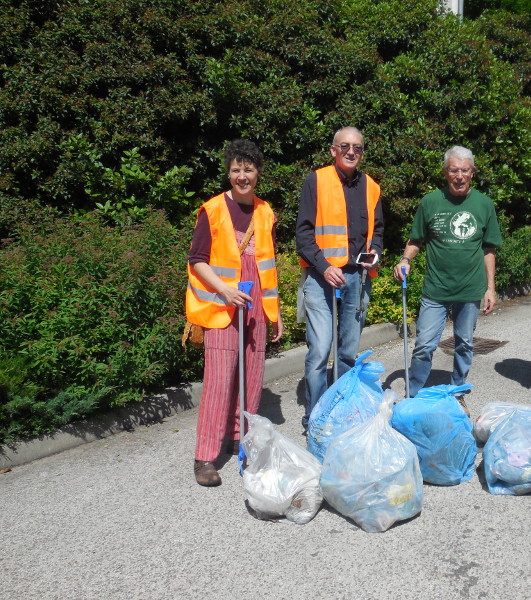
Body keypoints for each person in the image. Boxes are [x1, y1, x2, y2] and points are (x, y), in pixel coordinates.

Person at [186, 139, 283, 487]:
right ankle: (205, 457)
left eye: (249, 169)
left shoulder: (265, 212)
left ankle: (242, 441)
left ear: (258, 173)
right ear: (228, 172)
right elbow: (196, 261)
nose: (242, 176)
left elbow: (268, 266)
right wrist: (224, 290)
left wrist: (276, 311)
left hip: (255, 301)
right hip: (221, 302)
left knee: (252, 377)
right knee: (220, 379)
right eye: (236, 169)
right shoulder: (211, 210)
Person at [393, 145, 503, 400]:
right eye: (454, 170)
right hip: (436, 289)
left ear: (473, 172)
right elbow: (416, 240)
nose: (459, 176)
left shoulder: (484, 204)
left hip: (470, 290)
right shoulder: (430, 202)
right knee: (424, 345)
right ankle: (414, 394)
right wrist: (404, 259)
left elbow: (489, 249)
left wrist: (490, 287)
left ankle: (457, 391)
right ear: (445, 172)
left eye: (465, 170)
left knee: (464, 343)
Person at [296, 126, 384, 428]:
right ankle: (317, 416)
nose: (351, 151)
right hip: (322, 278)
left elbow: (379, 231)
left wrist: (376, 253)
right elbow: (303, 235)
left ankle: (343, 411)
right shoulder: (316, 180)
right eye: (344, 146)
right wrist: (324, 266)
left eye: (357, 147)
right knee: (320, 350)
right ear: (333, 150)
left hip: (357, 277)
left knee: (348, 351)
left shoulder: (371, 187)